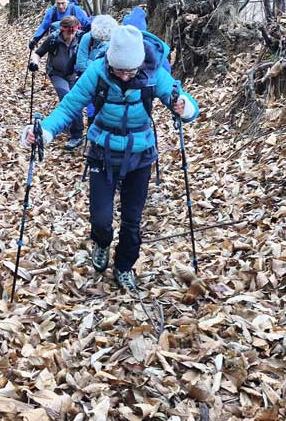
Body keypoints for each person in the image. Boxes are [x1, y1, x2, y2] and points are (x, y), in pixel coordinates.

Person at [21, 25, 200, 289]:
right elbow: (70, 106)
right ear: (110, 62)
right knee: (101, 220)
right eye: (120, 70)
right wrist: (45, 131)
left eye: (131, 71)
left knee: (132, 220)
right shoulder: (98, 72)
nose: (126, 77)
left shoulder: (153, 73)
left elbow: (183, 101)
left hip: (140, 155)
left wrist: (184, 107)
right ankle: (102, 243)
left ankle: (124, 267)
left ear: (140, 62)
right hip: (102, 153)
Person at [29, 16, 85, 149]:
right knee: (67, 96)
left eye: (73, 32)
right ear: (62, 30)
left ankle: (74, 129)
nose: (70, 35)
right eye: (68, 32)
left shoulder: (82, 38)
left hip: (74, 74)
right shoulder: (53, 39)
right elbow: (38, 54)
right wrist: (34, 63)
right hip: (57, 74)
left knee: (75, 101)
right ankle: (76, 135)